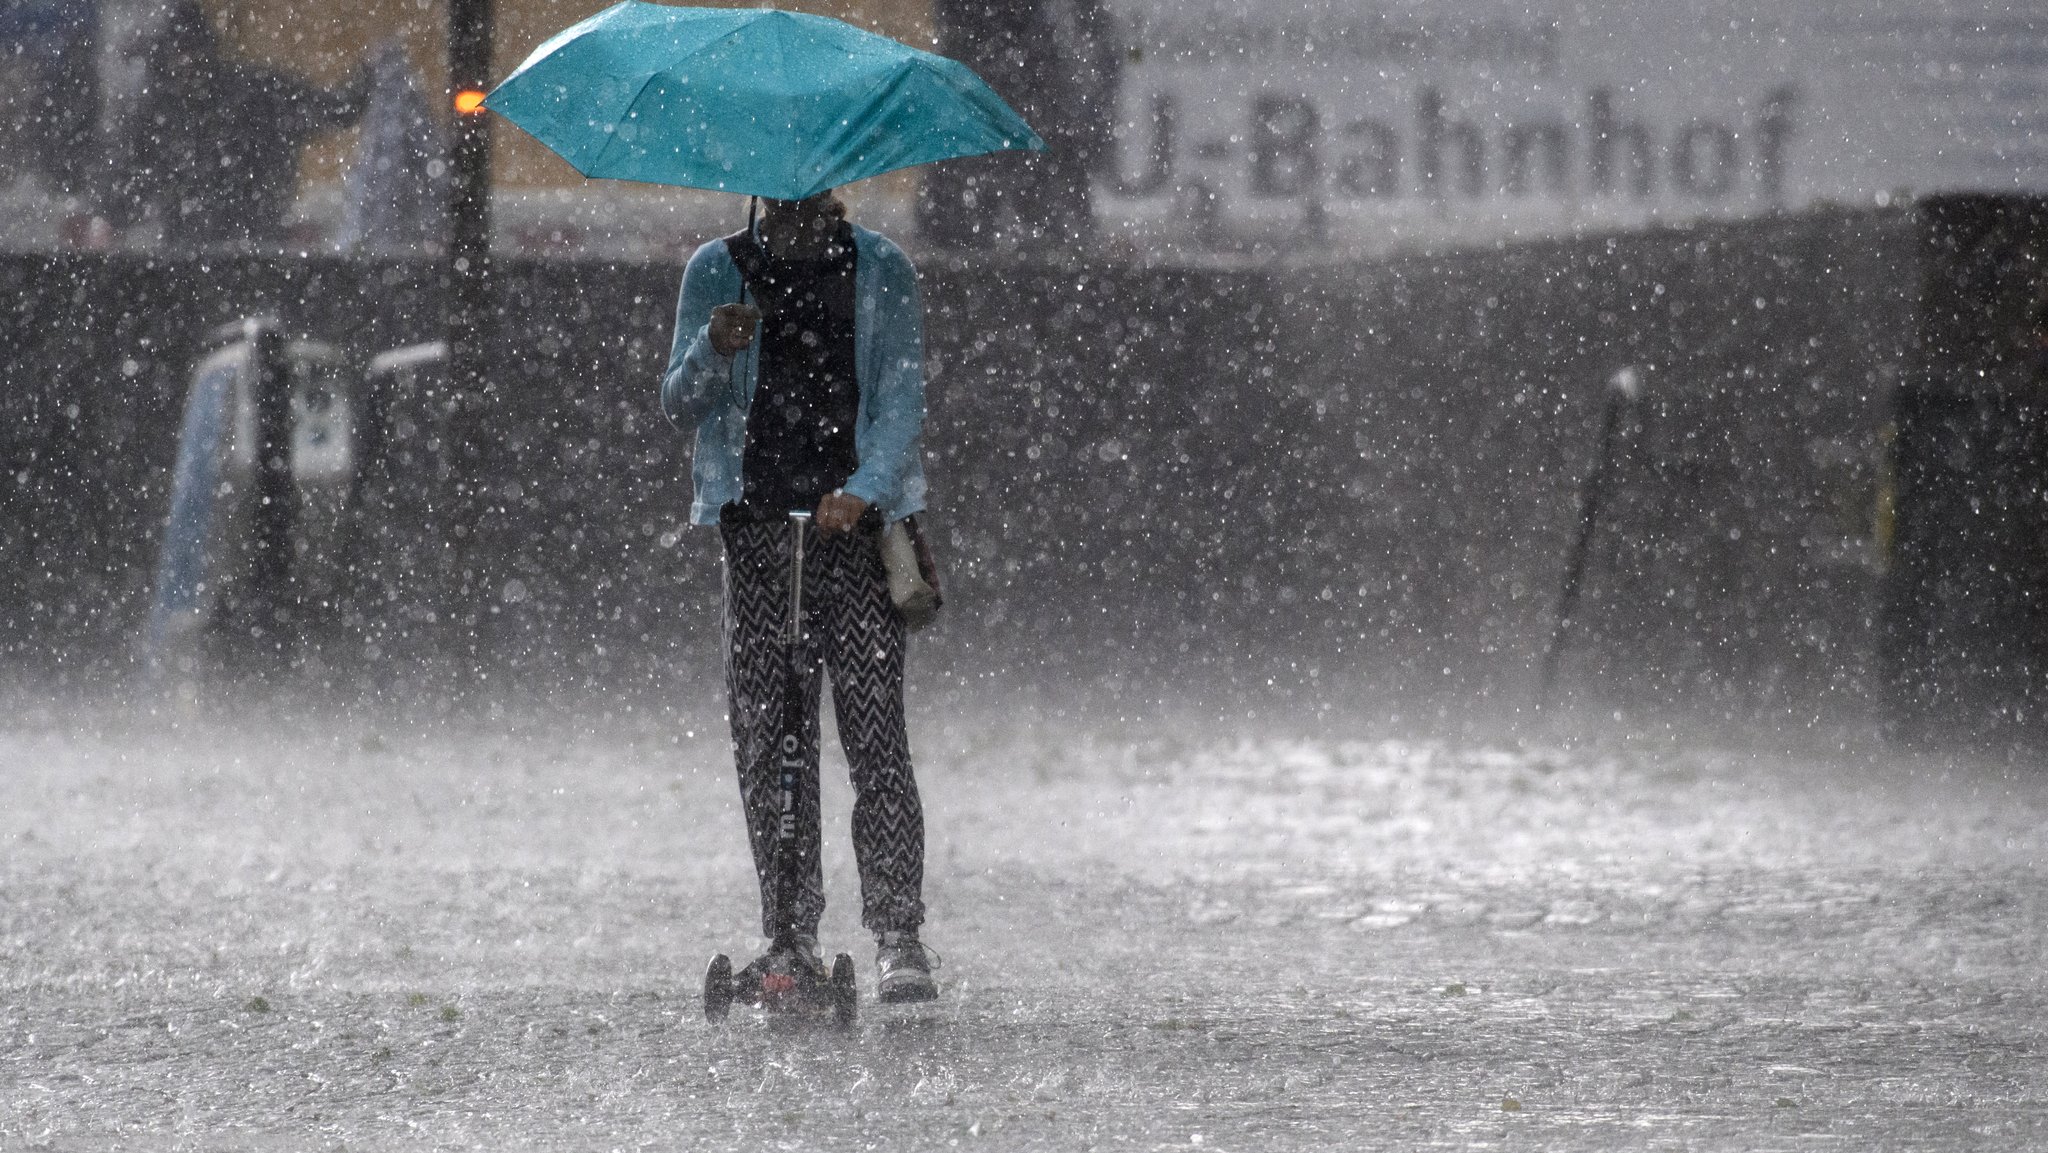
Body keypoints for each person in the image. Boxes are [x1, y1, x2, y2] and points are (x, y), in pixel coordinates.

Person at [660, 191, 938, 1004]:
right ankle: (789, 929)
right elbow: (679, 402)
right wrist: (714, 345)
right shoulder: (718, 271)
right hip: (754, 535)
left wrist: (863, 489)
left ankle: (897, 931)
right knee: (769, 740)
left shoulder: (882, 269)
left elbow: (899, 404)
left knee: (873, 732)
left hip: (852, 536)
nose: (795, 205)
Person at [101, 0, 367, 248]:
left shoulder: (256, 95)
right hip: (206, 256)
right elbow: (119, 202)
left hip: (240, 251)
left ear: (209, 52)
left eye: (193, 51)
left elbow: (340, 111)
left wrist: (368, 76)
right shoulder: (154, 116)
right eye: (178, 53)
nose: (187, 62)